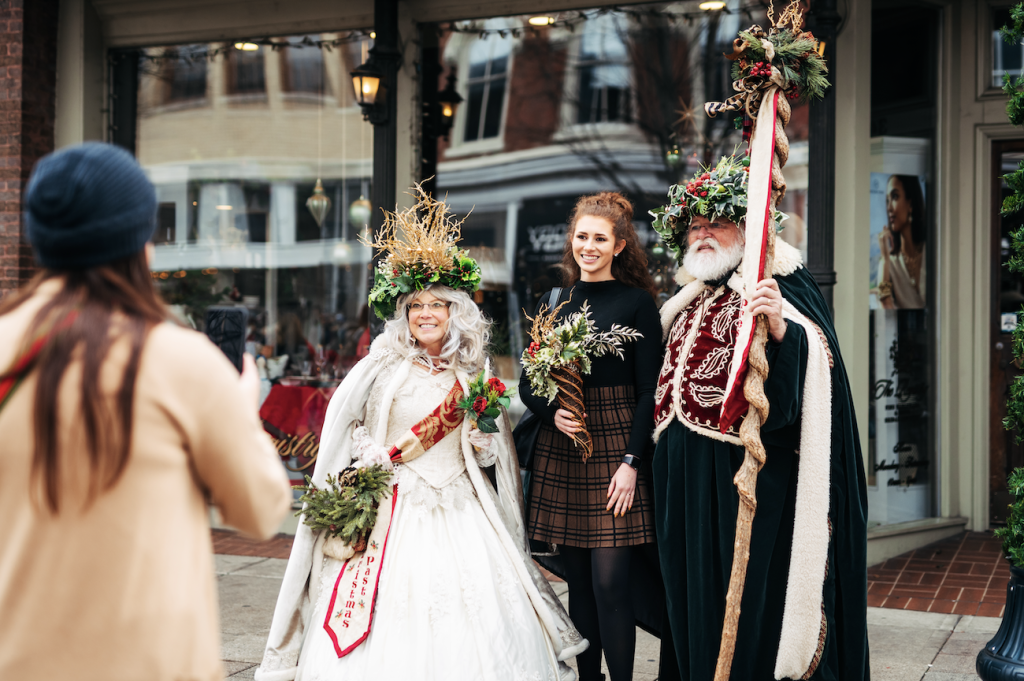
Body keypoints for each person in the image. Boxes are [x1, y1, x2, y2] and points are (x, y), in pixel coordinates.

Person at [255, 190, 587, 681]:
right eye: (416, 306)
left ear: (455, 311)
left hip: (459, 506)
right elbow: (349, 425)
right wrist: (371, 456)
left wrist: (482, 442)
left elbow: (492, 450)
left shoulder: (473, 374)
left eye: (437, 305)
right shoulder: (381, 364)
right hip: (393, 503)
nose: (425, 314)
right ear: (405, 314)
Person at [0, 142, 292, 681]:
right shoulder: (178, 359)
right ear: (142, 243)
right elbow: (260, 510)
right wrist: (241, 407)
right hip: (148, 662)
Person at [650, 155, 869, 680]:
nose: (702, 235)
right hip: (682, 488)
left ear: (746, 229)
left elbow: (816, 379)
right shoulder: (685, 301)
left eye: (716, 224)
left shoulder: (781, 289)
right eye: (695, 227)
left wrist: (779, 330)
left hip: (742, 487)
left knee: (743, 610)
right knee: (690, 605)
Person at [518, 192, 663, 681]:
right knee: (578, 584)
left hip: (618, 443)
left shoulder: (638, 303)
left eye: (600, 238)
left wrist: (631, 462)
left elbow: (649, 392)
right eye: (582, 236)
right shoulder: (553, 303)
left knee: (610, 583)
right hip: (565, 448)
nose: (589, 246)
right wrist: (554, 410)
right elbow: (527, 382)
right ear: (571, 241)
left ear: (619, 245)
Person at [878, 174, 926, 309]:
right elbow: (884, 301)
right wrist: (885, 259)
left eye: (894, 197)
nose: (889, 208)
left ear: (910, 204)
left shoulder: (931, 252)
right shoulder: (891, 263)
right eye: (887, 200)